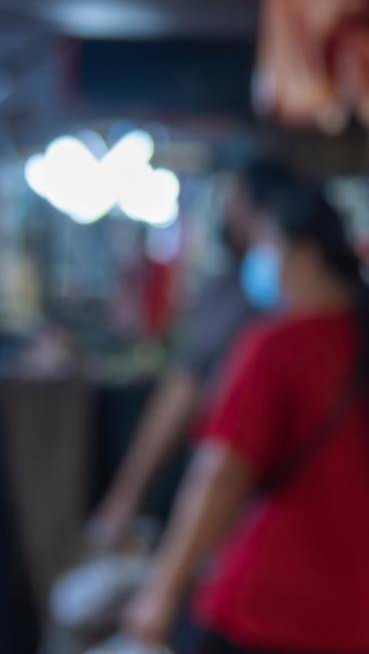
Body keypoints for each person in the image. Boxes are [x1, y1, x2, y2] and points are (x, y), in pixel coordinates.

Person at [123, 177, 369, 654]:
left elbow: (218, 479)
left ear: (304, 254)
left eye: (269, 247)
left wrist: (162, 591)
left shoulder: (276, 346)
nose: (262, 264)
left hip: (263, 606)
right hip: (355, 613)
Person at [86, 160, 293, 552]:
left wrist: (124, 499)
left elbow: (182, 391)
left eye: (233, 201)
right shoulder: (263, 294)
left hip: (240, 496)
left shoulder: (249, 294)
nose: (226, 212)